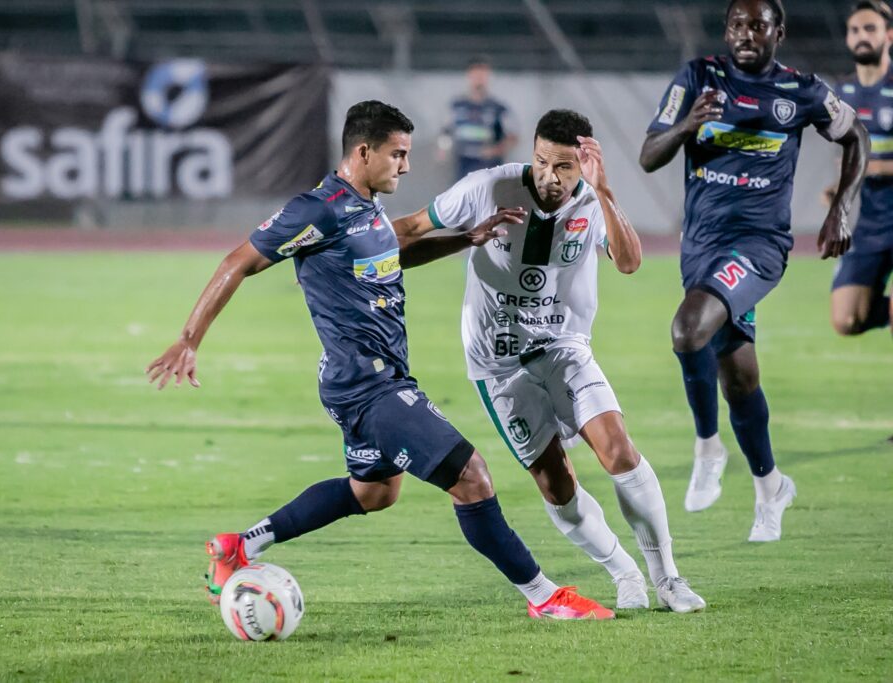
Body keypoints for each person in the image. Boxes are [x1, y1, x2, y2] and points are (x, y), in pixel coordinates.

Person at [146, 100, 615, 621]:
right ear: (363, 151)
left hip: (376, 377)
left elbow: (390, 254)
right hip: (367, 385)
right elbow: (238, 261)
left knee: (374, 492)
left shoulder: (363, 206)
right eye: (398, 153)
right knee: (473, 477)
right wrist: (189, 339)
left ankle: (241, 547)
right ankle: (544, 597)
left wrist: (466, 239)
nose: (405, 165)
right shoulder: (318, 209)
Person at [393, 110, 706, 613]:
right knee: (556, 485)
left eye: (564, 166)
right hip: (497, 365)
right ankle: (623, 573)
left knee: (618, 450)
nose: (550, 176)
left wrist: (605, 191)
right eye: (542, 162)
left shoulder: (591, 200)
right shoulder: (485, 187)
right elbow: (408, 227)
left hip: (565, 347)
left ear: (583, 163)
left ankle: (667, 578)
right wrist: (343, 253)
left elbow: (628, 262)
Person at [639, 0, 869, 541]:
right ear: (727, 31)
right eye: (738, 25)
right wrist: (690, 123)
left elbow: (855, 134)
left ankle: (706, 448)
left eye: (759, 25)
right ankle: (771, 489)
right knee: (739, 378)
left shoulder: (802, 90)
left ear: (778, 33)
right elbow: (650, 155)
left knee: (687, 328)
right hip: (701, 246)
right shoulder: (697, 78)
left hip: (760, 246)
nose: (747, 34)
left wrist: (839, 208)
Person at [828, 0, 893, 338]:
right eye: (855, 30)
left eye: (871, 29)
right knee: (846, 320)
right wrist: (840, 189)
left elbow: (865, 163)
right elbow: (847, 157)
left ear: (890, 35)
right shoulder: (842, 93)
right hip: (872, 223)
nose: (862, 36)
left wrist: (873, 167)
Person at [438, 57, 519, 180]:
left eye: (482, 75)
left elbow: (513, 137)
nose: (479, 80)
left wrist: (496, 150)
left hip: (489, 167)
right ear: (468, 76)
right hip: (463, 165)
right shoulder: (456, 106)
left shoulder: (498, 109)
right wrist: (443, 149)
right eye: (475, 75)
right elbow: (445, 132)